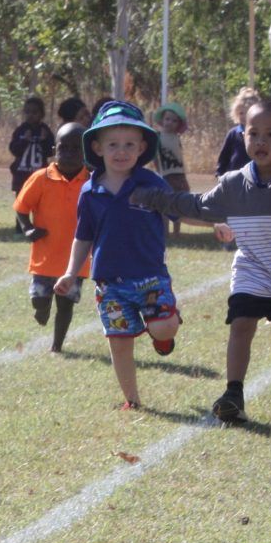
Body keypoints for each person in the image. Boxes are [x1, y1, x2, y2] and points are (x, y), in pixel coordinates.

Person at [132, 99, 271, 423]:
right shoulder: (234, 183)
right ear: (243, 135)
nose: (261, 141)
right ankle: (233, 393)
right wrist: (150, 198)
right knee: (241, 325)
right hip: (251, 269)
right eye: (253, 133)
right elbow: (196, 205)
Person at [54, 100, 178, 410]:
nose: (120, 151)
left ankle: (161, 333)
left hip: (150, 277)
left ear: (141, 147)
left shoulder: (150, 183)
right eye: (112, 144)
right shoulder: (90, 191)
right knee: (119, 344)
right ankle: (132, 401)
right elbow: (83, 236)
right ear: (97, 147)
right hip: (109, 283)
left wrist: (213, 220)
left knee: (163, 327)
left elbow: (180, 207)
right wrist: (71, 272)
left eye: (128, 145)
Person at [16, 121, 90, 353]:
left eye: (75, 149)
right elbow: (21, 207)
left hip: (75, 261)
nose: (68, 154)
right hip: (44, 258)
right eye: (63, 148)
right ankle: (42, 307)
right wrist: (27, 228)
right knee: (38, 298)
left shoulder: (91, 181)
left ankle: (57, 346)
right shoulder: (41, 178)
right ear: (54, 151)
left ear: (86, 152)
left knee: (66, 305)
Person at [153, 101, 190, 235]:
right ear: (162, 120)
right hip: (165, 175)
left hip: (179, 175)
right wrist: (158, 171)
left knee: (178, 204)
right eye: (167, 119)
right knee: (165, 204)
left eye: (174, 121)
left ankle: (177, 232)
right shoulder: (158, 137)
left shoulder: (176, 138)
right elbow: (155, 156)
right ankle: (165, 231)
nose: (170, 123)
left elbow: (180, 158)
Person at [9, 94, 54, 196]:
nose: (30, 115)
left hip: (39, 176)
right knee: (21, 208)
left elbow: (52, 151)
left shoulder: (45, 130)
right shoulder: (21, 130)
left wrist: (44, 140)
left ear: (42, 114)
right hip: (21, 175)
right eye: (27, 112)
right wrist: (24, 140)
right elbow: (13, 149)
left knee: (38, 206)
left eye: (34, 112)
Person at [214, 86, 259, 176]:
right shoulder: (233, 134)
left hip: (254, 176)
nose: (243, 116)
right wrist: (220, 173)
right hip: (233, 176)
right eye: (241, 113)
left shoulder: (260, 134)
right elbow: (224, 156)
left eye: (247, 113)